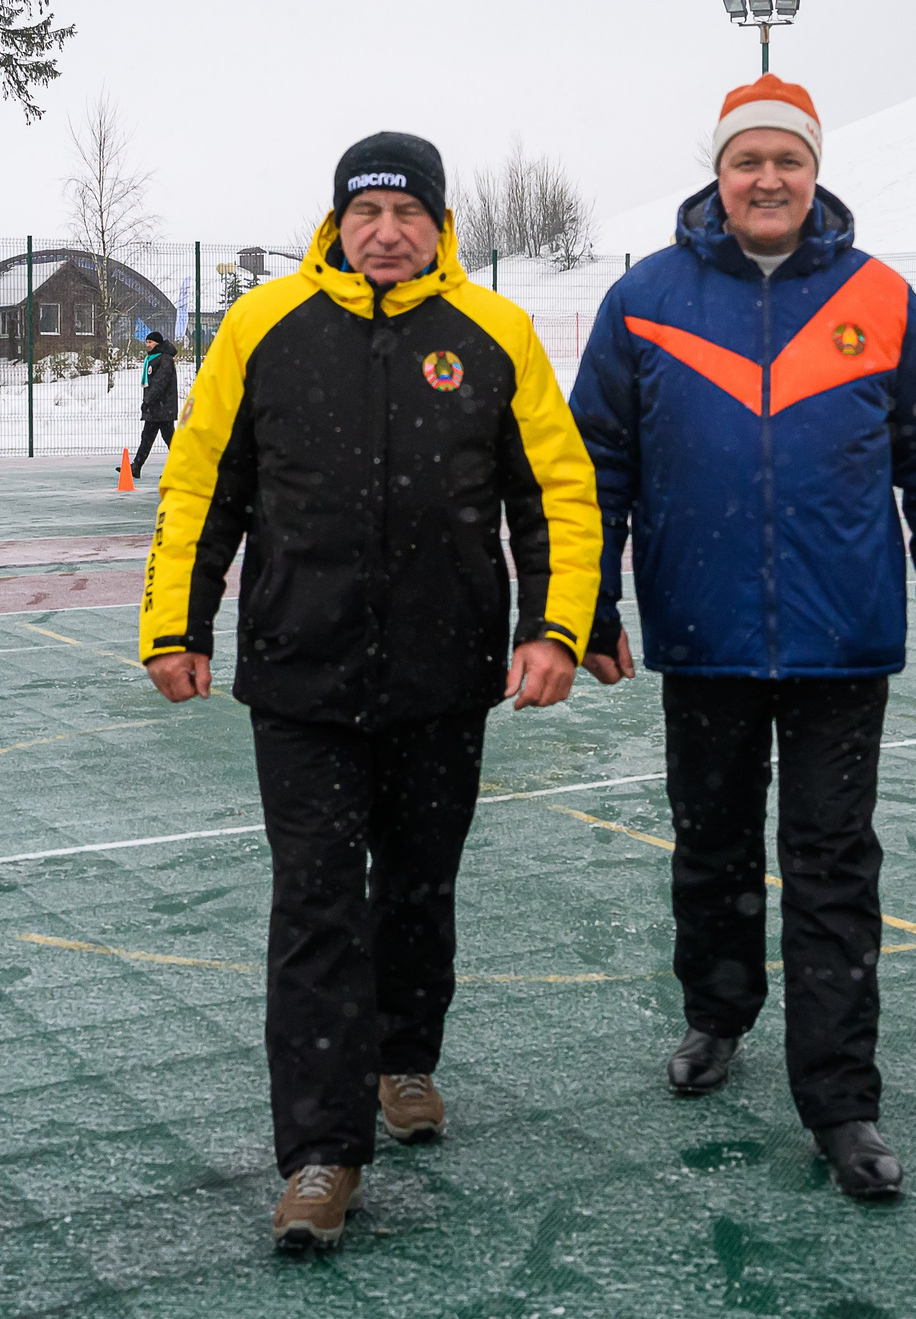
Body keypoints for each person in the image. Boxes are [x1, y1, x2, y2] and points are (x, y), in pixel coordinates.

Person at [139, 131, 602, 1252]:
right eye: (366, 213)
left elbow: (555, 491)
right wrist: (175, 621)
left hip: (445, 679)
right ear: (335, 224)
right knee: (314, 906)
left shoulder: (496, 333)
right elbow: (207, 482)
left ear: (441, 226)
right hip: (300, 677)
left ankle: (405, 1059)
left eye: (408, 214)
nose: (386, 232)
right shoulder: (265, 329)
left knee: (416, 886)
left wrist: (554, 626)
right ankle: (317, 1156)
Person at [566, 75, 916, 1202]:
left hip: (841, 644)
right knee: (709, 847)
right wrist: (587, 604)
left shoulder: (881, 299)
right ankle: (716, 1014)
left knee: (832, 867)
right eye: (748, 160)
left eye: (787, 161)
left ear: (815, 173)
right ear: (718, 172)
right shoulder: (644, 300)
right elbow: (592, 467)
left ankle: (842, 1100)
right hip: (699, 636)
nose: (767, 179)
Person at [131, 330, 177, 478]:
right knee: (147, 437)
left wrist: (148, 401)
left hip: (163, 408)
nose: (147, 345)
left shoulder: (165, 359)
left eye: (150, 342)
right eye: (147, 342)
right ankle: (136, 466)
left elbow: (160, 383)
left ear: (157, 343)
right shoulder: (152, 359)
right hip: (156, 408)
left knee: (169, 439)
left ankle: (179, 470)